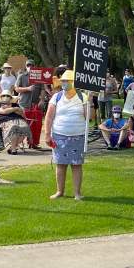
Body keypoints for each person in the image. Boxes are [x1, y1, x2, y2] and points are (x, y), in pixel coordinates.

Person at [43, 69, 89, 200]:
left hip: (78, 135)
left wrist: (89, 104)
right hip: (59, 135)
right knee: (60, 164)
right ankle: (59, 191)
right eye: (62, 81)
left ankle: (77, 193)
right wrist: (47, 134)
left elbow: (89, 118)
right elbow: (49, 117)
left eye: (66, 81)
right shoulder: (56, 97)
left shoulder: (83, 97)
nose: (64, 83)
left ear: (73, 82)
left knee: (76, 164)